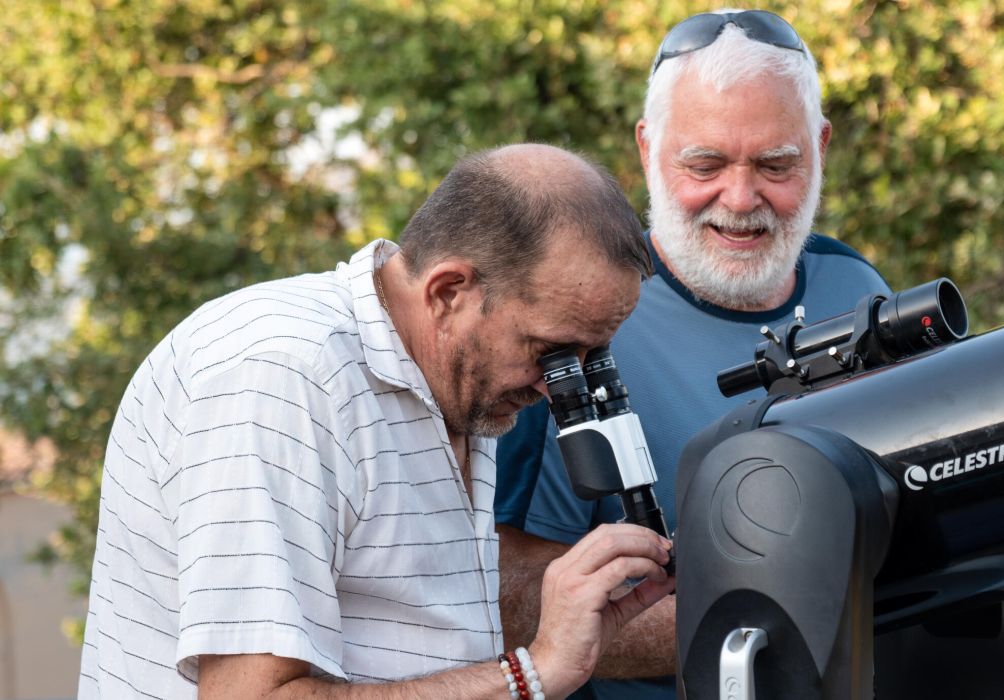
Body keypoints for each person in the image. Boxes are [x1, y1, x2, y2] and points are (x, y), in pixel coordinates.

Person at [78, 144, 677, 700]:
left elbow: (420, 623)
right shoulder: (283, 377)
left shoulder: (452, 376)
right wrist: (528, 674)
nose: (555, 386)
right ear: (447, 291)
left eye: (584, 359)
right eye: (548, 349)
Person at [493, 10, 892, 700]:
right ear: (648, 150)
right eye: (704, 164)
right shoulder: (568, 319)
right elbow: (500, 594)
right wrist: (783, 617)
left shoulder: (855, 286)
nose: (740, 200)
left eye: (777, 165)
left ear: (821, 148)